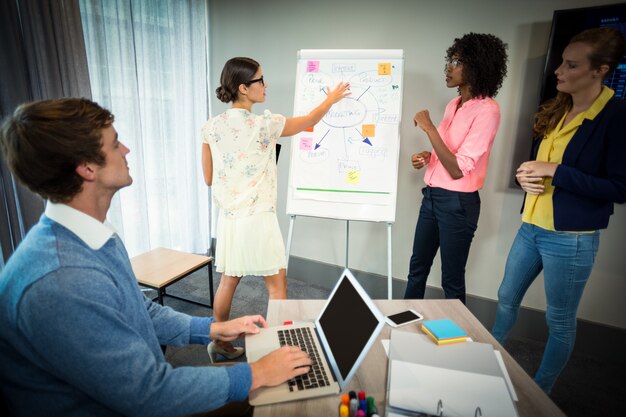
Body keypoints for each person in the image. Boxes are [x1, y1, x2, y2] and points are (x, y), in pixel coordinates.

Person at [0, 98, 313, 417]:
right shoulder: (60, 280)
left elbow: (137, 310)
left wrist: (211, 329)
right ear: (87, 167)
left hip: (140, 391)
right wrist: (257, 373)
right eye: (115, 143)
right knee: (274, 393)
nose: (126, 150)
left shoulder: (90, 233)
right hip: (137, 402)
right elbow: (148, 394)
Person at [492, 27, 626, 394]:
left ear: (600, 70)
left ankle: (541, 392)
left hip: (571, 239)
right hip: (531, 227)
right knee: (505, 298)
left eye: (571, 65)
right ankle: (487, 361)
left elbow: (619, 187)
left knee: (560, 321)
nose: (559, 72)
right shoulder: (559, 106)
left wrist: (556, 172)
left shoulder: (616, 115)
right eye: (561, 63)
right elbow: (541, 164)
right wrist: (525, 174)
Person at [201, 57, 350, 361]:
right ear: (243, 88)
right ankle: (275, 354)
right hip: (258, 218)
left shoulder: (210, 127)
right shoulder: (265, 125)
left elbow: (208, 177)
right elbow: (309, 121)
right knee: (277, 288)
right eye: (260, 80)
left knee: (228, 281)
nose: (265, 85)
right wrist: (332, 98)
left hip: (229, 219)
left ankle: (220, 342)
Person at [404, 33, 508, 304]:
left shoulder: (488, 110)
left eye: (457, 61)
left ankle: (457, 341)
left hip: (458, 204)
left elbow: (459, 169)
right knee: (417, 269)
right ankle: (400, 325)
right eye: (450, 60)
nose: (448, 68)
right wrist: (428, 156)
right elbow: (448, 151)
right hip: (432, 197)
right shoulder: (454, 104)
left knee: (451, 279)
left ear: (477, 66)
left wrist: (428, 127)